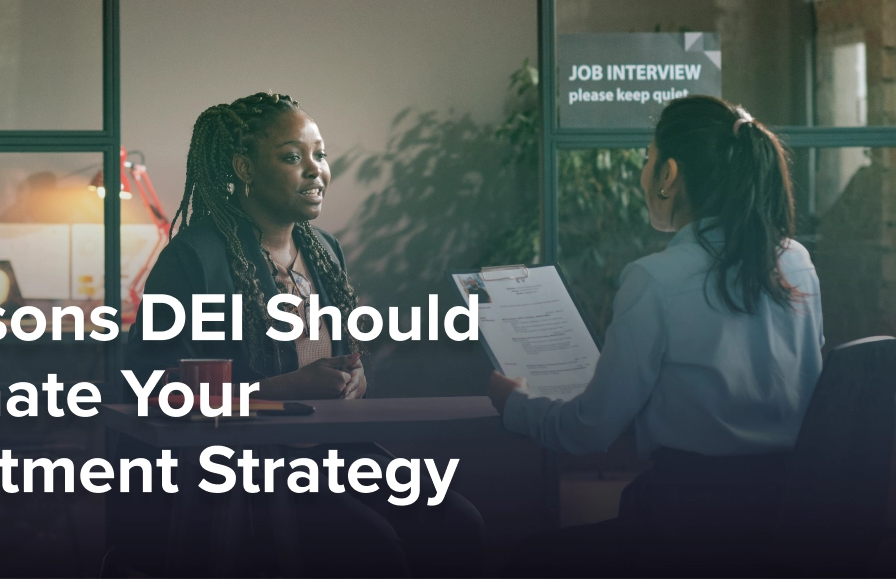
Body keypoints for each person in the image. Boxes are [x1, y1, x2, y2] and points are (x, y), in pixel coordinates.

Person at [117, 92, 485, 577]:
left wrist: (354, 381)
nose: (316, 170)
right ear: (243, 168)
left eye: (320, 155)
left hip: (334, 456)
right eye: (293, 157)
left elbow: (342, 362)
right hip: (245, 473)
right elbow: (151, 388)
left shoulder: (324, 250)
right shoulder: (194, 258)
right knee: (375, 550)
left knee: (457, 524)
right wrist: (280, 392)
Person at [488, 96, 824, 575]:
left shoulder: (656, 279)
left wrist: (514, 405)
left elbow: (590, 429)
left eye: (647, 160)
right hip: (784, 526)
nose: (643, 173)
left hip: (686, 530)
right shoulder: (797, 262)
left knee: (527, 559)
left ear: (668, 174)